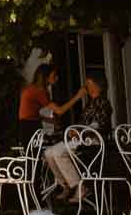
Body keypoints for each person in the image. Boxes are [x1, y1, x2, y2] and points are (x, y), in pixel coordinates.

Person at [43, 74, 113, 203]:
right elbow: (83, 124)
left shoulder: (103, 103)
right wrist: (75, 131)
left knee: (59, 152)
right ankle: (66, 185)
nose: (86, 87)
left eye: (89, 84)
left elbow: (99, 125)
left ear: (98, 86)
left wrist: (80, 132)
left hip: (92, 141)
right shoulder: (89, 104)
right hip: (81, 138)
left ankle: (80, 187)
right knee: (48, 153)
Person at [17, 63, 74, 146]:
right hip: (29, 128)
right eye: (54, 76)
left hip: (26, 126)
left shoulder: (32, 88)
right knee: (57, 142)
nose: (57, 78)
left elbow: (33, 114)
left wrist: (53, 121)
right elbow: (59, 111)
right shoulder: (39, 91)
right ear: (46, 77)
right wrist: (78, 96)